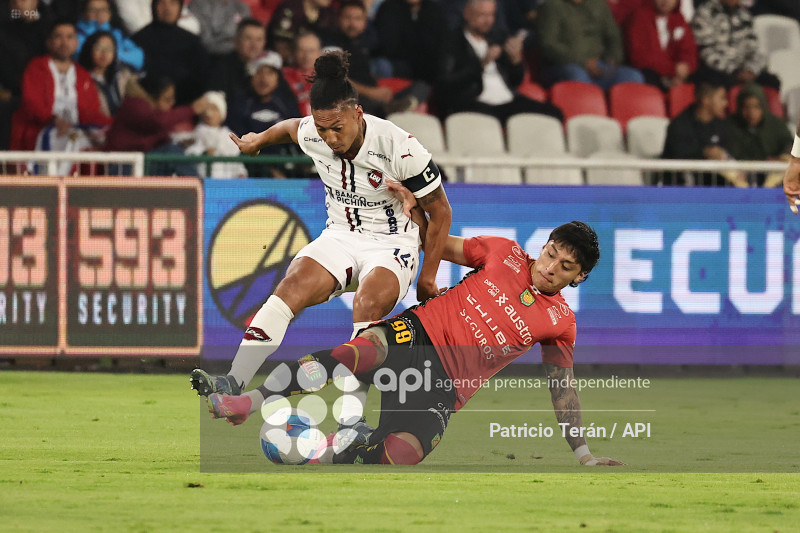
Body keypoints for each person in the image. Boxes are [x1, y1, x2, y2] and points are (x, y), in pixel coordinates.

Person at [206, 214, 623, 467]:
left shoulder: (560, 322)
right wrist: (411, 209)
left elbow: (562, 389)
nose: (551, 267)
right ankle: (247, 402)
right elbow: (438, 243)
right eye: (551, 253)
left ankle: (330, 450)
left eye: (565, 266)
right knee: (359, 352)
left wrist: (583, 453)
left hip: (445, 386)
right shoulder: (504, 252)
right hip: (419, 334)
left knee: (403, 453)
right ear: (544, 246)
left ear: (578, 277)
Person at [191, 51, 453, 434]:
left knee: (368, 303)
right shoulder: (313, 130)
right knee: (290, 286)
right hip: (340, 236)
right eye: (323, 129)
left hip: (392, 243)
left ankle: (351, 420)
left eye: (338, 128)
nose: (330, 138)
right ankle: (233, 382)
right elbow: (289, 127)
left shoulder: (401, 147)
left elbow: (441, 212)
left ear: (358, 114)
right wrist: (257, 142)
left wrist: (428, 280)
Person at [438, 0, 563, 124]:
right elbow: (447, 84)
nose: (488, 21)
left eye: (491, 15)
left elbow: (516, 81)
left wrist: (516, 60)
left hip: (508, 101)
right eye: (482, 15)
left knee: (553, 113)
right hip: (475, 102)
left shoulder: (498, 37)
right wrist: (481, 64)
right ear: (467, 14)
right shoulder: (453, 42)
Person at [10, 20, 111, 152]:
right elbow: (32, 104)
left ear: (76, 43)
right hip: (44, 129)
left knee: (112, 140)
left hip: (78, 129)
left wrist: (113, 126)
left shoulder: (82, 75)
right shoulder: (36, 68)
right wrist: (53, 119)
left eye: (69, 37)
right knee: (74, 139)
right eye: (58, 37)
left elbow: (92, 112)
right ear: (49, 42)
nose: (64, 42)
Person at [328, 0, 427, 118]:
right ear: (339, 19)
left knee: (422, 86)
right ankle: (392, 109)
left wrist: (380, 88)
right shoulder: (332, 44)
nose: (352, 23)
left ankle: (396, 107)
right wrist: (372, 92)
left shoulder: (363, 43)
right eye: (347, 18)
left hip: (374, 90)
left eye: (358, 19)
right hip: (353, 96)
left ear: (365, 22)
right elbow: (336, 80)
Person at [104, 74, 209, 175]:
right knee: (172, 152)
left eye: (173, 98)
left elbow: (160, 141)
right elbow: (158, 122)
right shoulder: (135, 105)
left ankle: (197, 188)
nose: (172, 103)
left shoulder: (153, 111)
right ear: (151, 98)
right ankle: (202, 189)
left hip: (139, 163)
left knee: (174, 150)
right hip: (121, 167)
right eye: (167, 100)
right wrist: (191, 109)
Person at [225, 50, 303, 176]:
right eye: (259, 72)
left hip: (288, 173)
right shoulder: (239, 105)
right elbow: (237, 145)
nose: (264, 78)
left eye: (270, 73)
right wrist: (269, 172)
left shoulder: (286, 105)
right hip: (252, 173)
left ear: (278, 78)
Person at [537, 0, 645, 90]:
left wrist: (611, 61)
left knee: (633, 76)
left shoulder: (599, 4)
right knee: (577, 74)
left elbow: (613, 38)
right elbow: (549, 45)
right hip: (563, 66)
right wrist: (584, 63)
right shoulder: (551, 6)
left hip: (599, 66)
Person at [661, 81, 743, 186]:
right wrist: (705, 153)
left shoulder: (722, 125)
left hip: (715, 189)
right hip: (681, 191)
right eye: (722, 98)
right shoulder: (679, 125)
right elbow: (680, 159)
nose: (726, 103)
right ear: (706, 100)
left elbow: (730, 154)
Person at [132, 0, 209, 105]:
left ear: (180, 7)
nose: (167, 8)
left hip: (185, 107)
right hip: (146, 107)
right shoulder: (138, 40)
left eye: (173, 3)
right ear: (154, 6)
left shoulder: (193, 42)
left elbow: (201, 79)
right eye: (162, 3)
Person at [691, 0, 780, 90]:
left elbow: (753, 48)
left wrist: (751, 70)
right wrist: (735, 72)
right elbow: (706, 52)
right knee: (723, 82)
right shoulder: (705, 13)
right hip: (720, 70)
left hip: (744, 68)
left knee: (772, 81)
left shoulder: (744, 15)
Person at [727, 82, 792, 187]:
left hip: (771, 176)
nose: (751, 112)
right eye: (746, 107)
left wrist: (779, 159)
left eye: (756, 107)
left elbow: (790, 145)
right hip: (739, 177)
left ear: (763, 106)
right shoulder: (730, 124)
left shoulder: (776, 124)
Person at [625, 0, 697, 90]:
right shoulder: (640, 17)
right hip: (649, 72)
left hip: (675, 73)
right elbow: (641, 57)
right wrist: (673, 70)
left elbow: (688, 50)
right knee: (648, 75)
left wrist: (684, 69)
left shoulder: (678, 19)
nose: (666, 1)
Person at [373, 0, 447, 84]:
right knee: (383, 66)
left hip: (429, 63)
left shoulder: (433, 9)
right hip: (397, 61)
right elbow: (388, 45)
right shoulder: (389, 8)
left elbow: (441, 42)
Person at [181, 90, 249, 179]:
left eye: (214, 109)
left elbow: (236, 162)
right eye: (206, 109)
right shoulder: (195, 134)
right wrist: (204, 153)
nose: (208, 113)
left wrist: (241, 173)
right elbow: (189, 154)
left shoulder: (229, 136)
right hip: (203, 183)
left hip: (226, 184)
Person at [77, 30, 137, 117]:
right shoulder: (82, 80)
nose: (104, 53)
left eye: (109, 48)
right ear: (89, 49)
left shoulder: (123, 75)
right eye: (99, 48)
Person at [75, 0, 144, 71]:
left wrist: (114, 55)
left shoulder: (117, 33)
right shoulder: (76, 35)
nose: (99, 14)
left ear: (110, 14)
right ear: (84, 13)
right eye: (93, 10)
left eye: (103, 10)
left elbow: (138, 57)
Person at [266, 0, 338, 65]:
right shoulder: (290, 8)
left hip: (316, 60)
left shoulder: (328, 12)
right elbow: (281, 46)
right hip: (290, 62)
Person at [282, 31, 323, 116]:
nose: (306, 56)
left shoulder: (331, 78)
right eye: (302, 50)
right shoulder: (283, 76)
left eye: (311, 51)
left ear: (319, 53)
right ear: (294, 52)